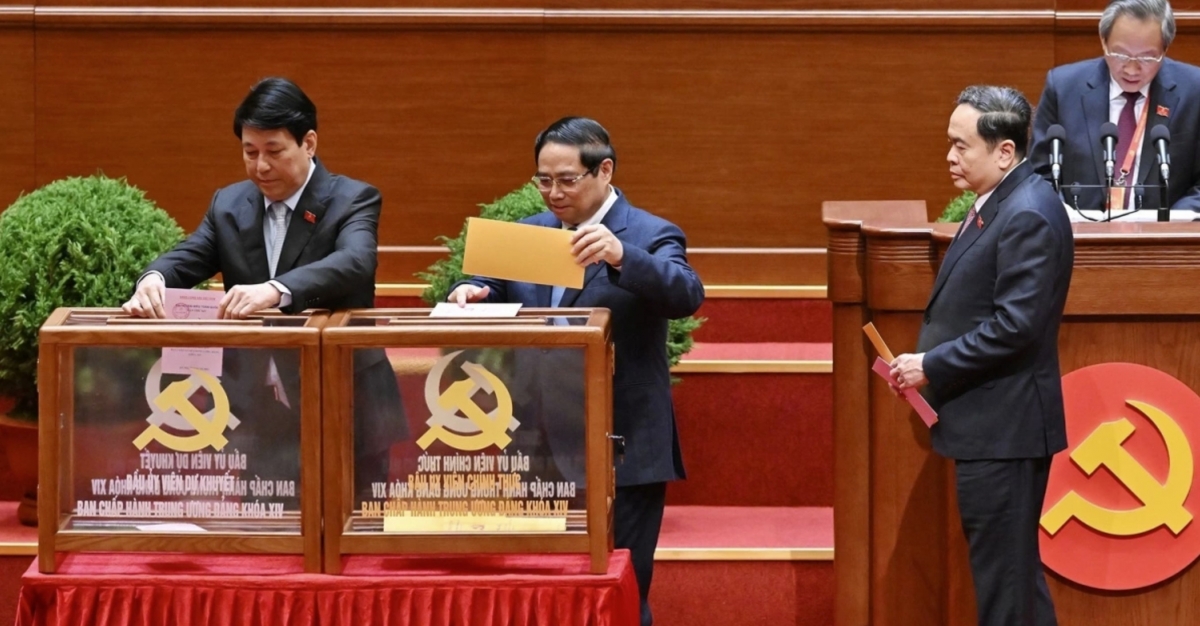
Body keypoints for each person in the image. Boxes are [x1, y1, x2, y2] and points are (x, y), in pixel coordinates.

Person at [448, 117, 704, 626]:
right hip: (536, 442)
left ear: (603, 171)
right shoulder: (529, 234)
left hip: (622, 444)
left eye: (567, 180)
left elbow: (685, 294)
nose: (553, 193)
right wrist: (469, 293)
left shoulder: (649, 234)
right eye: (543, 180)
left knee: (621, 595)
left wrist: (620, 256)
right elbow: (486, 285)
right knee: (542, 592)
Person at [122, 77, 404, 503]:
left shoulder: (353, 199)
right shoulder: (229, 204)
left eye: (274, 151)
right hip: (260, 406)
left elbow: (355, 261)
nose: (260, 167)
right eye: (249, 152)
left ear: (308, 143)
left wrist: (276, 290)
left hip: (345, 401)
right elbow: (190, 255)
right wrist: (152, 280)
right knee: (270, 532)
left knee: (356, 531)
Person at [891, 86, 1073, 626]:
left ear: (1004, 151)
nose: (949, 156)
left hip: (1007, 428)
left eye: (961, 145)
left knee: (1006, 584)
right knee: (1011, 579)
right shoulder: (998, 201)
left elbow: (1015, 326)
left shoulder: (1028, 214)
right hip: (990, 425)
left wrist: (932, 363)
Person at [1030, 0, 1200, 221]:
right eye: (1120, 55)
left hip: (1163, 241)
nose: (1131, 69)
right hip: (1078, 237)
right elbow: (1038, 173)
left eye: (1147, 58)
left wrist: (1170, 222)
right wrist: (1064, 216)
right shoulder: (1063, 88)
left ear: (1165, 49)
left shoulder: (1194, 91)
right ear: (1104, 41)